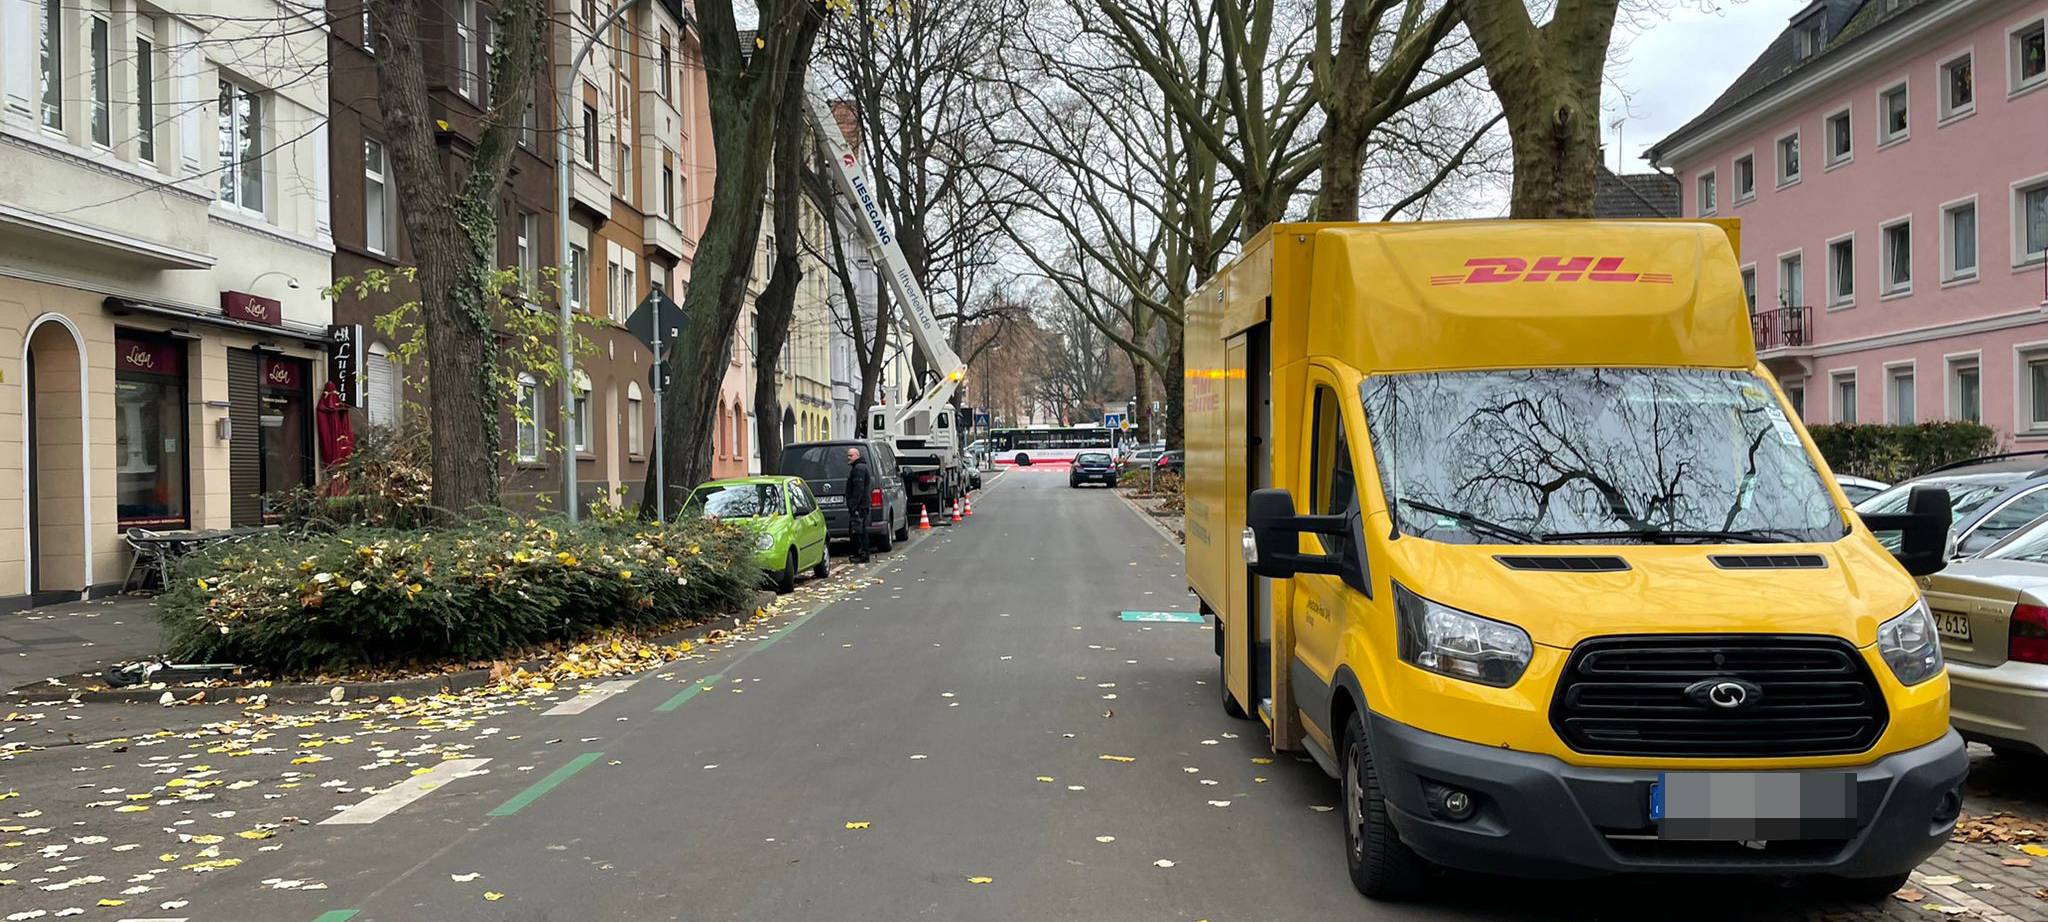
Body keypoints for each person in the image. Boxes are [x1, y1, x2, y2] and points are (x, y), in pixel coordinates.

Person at [844, 446, 873, 563]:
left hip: (859, 507)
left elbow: (858, 489)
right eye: (848, 455)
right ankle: (862, 554)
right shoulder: (859, 467)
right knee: (860, 530)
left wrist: (853, 505)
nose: (848, 458)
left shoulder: (859, 469)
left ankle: (861, 554)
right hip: (862, 505)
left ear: (857, 455)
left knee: (858, 531)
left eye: (850, 455)